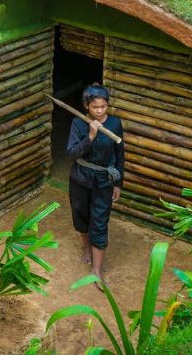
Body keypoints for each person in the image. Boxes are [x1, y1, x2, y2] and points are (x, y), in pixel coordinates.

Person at [66, 83, 124, 289]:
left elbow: (119, 155)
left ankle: (97, 271)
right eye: (95, 107)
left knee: (99, 222)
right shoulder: (78, 124)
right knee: (81, 217)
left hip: (104, 181)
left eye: (103, 106)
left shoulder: (115, 124)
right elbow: (72, 153)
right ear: (87, 107)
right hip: (80, 178)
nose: (99, 111)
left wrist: (118, 183)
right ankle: (86, 249)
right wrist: (90, 136)